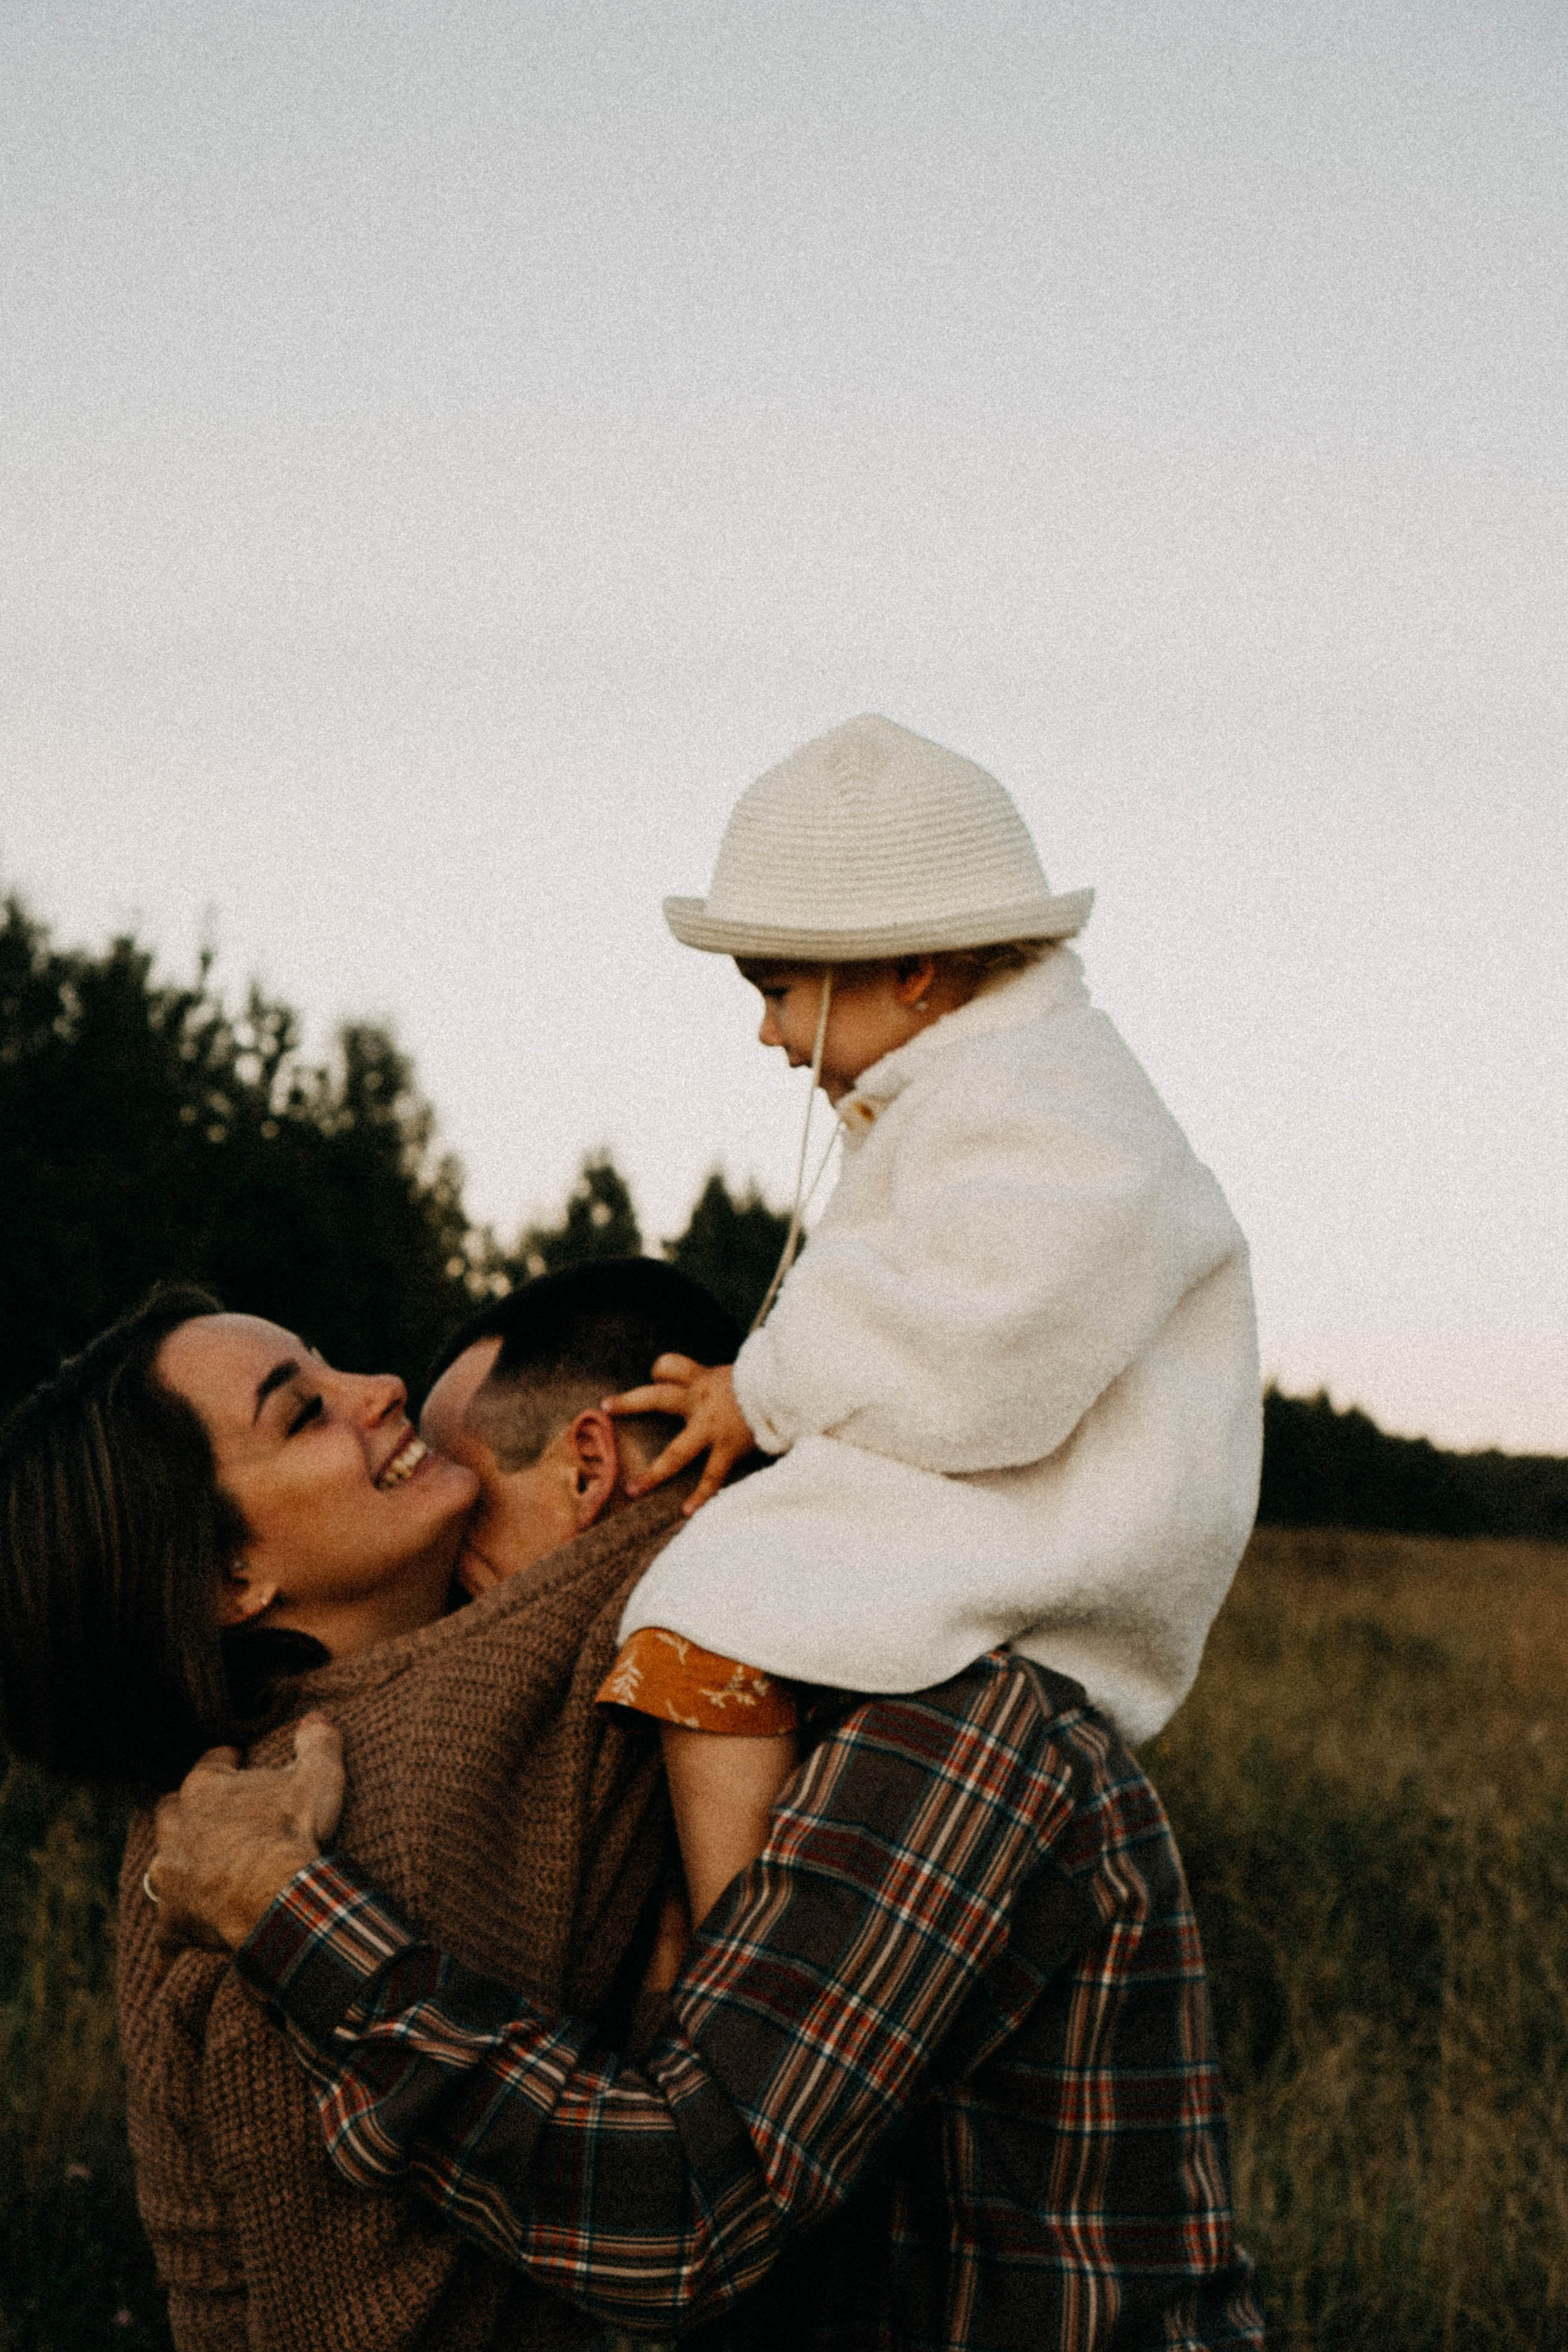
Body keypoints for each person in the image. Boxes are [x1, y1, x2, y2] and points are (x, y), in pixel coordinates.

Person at [596, 713, 1262, 1931]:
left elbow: (986, 1350)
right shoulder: (980, 1089)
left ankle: (741, 1950)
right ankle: (703, 1940)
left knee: (707, 1606)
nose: (767, 1035)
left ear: (909, 970)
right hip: (1006, 1491)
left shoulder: (1045, 1103)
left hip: (1053, 1521)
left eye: (778, 991)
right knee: (727, 1581)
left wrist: (762, 1391)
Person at [0, 1260, 740, 2352]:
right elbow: (694, 1519)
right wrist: (753, 1407)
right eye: (304, 1412)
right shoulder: (388, 1789)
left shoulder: (227, 1797)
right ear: (231, 1579)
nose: (383, 1385)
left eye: (329, 1363)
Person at [148, 1641, 1267, 2349]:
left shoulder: (947, 1727)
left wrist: (277, 1904)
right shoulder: (666, 1768)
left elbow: (681, 2212)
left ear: (596, 1466)